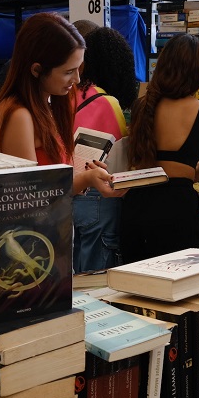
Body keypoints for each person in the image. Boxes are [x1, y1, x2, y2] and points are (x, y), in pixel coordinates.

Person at [0, 12, 119, 197]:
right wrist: (85, 179)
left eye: (79, 69)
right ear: (37, 70)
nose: (76, 79)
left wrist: (85, 175)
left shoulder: (46, 103)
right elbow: (31, 195)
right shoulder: (19, 115)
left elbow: (48, 180)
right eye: (68, 72)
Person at [120, 34, 199, 263]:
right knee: (182, 284)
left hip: (137, 203)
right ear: (198, 72)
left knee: (135, 282)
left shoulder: (142, 105)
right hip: (177, 206)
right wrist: (193, 172)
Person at [72, 26, 137, 273]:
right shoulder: (108, 103)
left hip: (68, 191)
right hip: (99, 198)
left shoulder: (67, 94)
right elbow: (121, 152)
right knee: (98, 276)